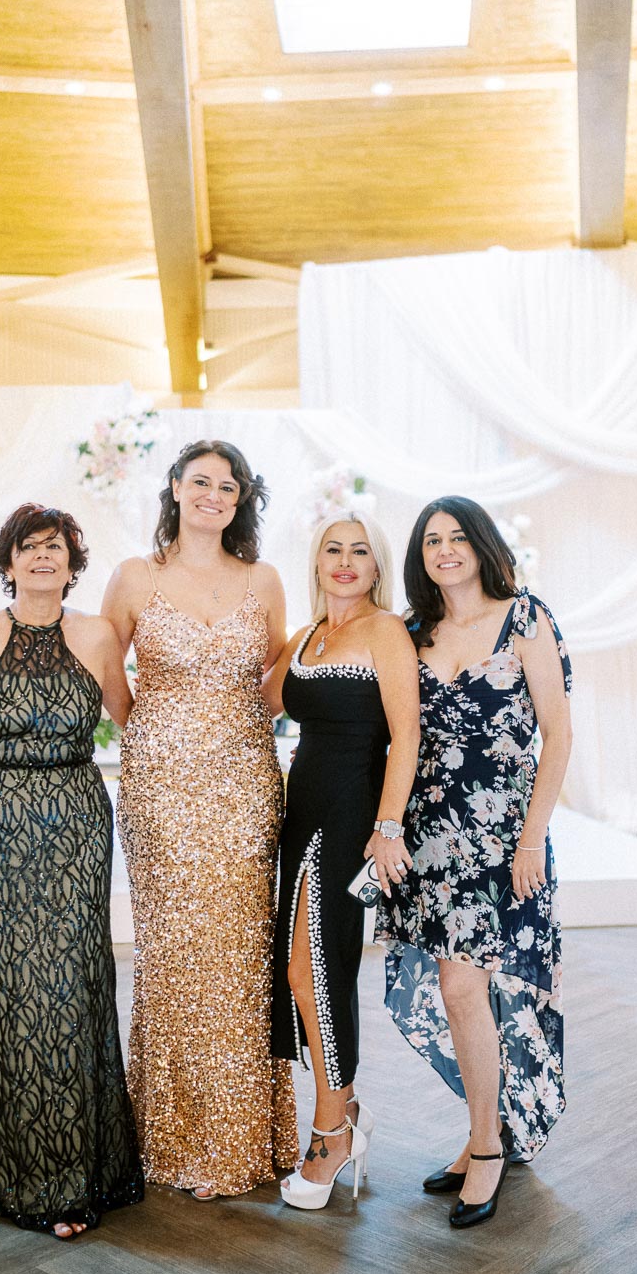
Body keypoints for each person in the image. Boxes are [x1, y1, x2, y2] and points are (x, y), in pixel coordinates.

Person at [0, 504, 144, 1239]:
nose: (43, 558)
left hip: (77, 824)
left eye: (55, 547)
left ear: (72, 561)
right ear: (9, 561)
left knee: (67, 989)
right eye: (30, 547)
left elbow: (132, 719)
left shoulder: (97, 635)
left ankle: (66, 1177)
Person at [101, 440, 299, 1199]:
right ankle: (173, 1136)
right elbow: (103, 662)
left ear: (242, 499)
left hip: (246, 788)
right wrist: (148, 730)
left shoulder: (265, 580)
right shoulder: (134, 577)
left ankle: (245, 1136)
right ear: (176, 490)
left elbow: (279, 681)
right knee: (177, 955)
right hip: (161, 793)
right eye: (202, 482)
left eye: (230, 486)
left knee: (244, 956)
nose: (215, 495)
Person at [378, 496, 572, 1229]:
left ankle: (488, 1147)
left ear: (483, 545)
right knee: (460, 993)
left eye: (459, 537)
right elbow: (393, 731)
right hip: (429, 839)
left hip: (503, 843)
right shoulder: (411, 632)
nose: (446, 549)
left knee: (466, 989)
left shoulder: (526, 618)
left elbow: (557, 736)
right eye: (432, 540)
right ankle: (482, 1133)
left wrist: (531, 840)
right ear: (420, 556)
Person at [265, 512, 419, 1210]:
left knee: (319, 970)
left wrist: (387, 826)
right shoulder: (306, 638)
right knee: (298, 969)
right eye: (335, 549)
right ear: (317, 561)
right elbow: (258, 701)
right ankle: (345, 1111)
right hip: (302, 814)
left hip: (352, 814)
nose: (347, 561)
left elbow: (407, 735)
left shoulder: (385, 632)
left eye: (361, 551)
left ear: (378, 567)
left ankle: (331, 1132)